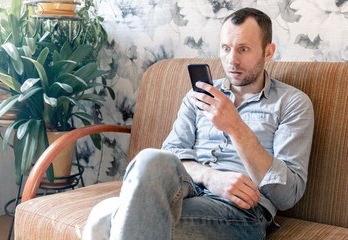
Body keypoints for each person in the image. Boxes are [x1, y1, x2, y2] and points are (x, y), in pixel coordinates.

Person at [83, 7, 314, 240]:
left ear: (268, 52)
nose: (232, 60)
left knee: (105, 216)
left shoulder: (292, 103)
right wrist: (211, 177)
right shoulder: (199, 95)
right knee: (150, 158)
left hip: (241, 210)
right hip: (189, 191)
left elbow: (287, 195)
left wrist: (235, 126)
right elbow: (173, 153)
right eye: (226, 48)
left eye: (243, 49)